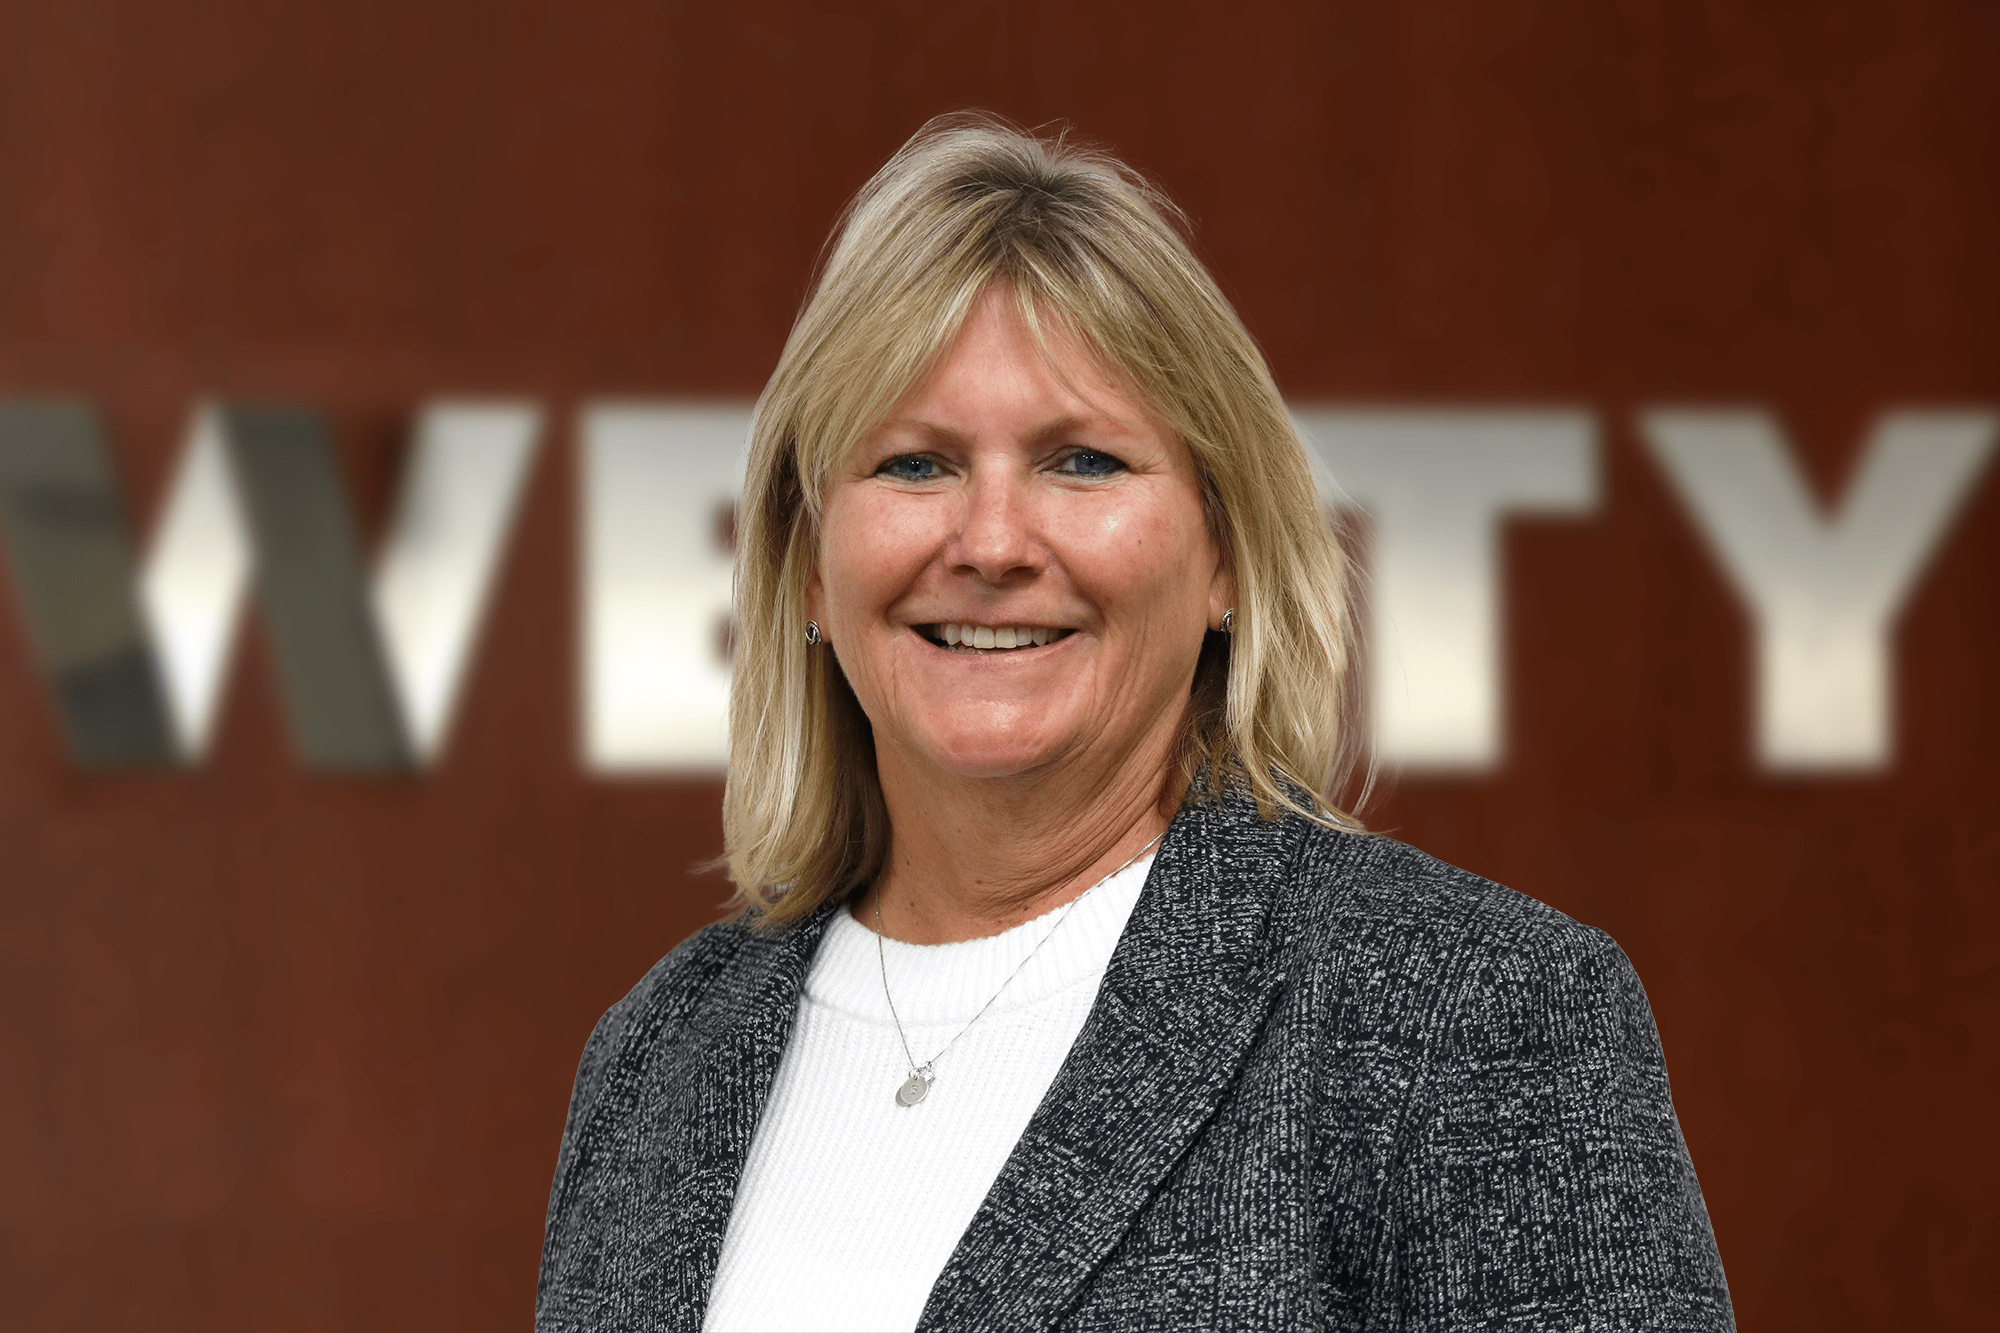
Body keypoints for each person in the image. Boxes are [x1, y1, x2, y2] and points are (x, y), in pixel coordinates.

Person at [537, 113, 1733, 1332]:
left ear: (1224, 554)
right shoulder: (655, 1054)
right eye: (912, 465)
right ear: (804, 564)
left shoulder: (1467, 1014)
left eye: (1083, 462)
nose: (992, 543)